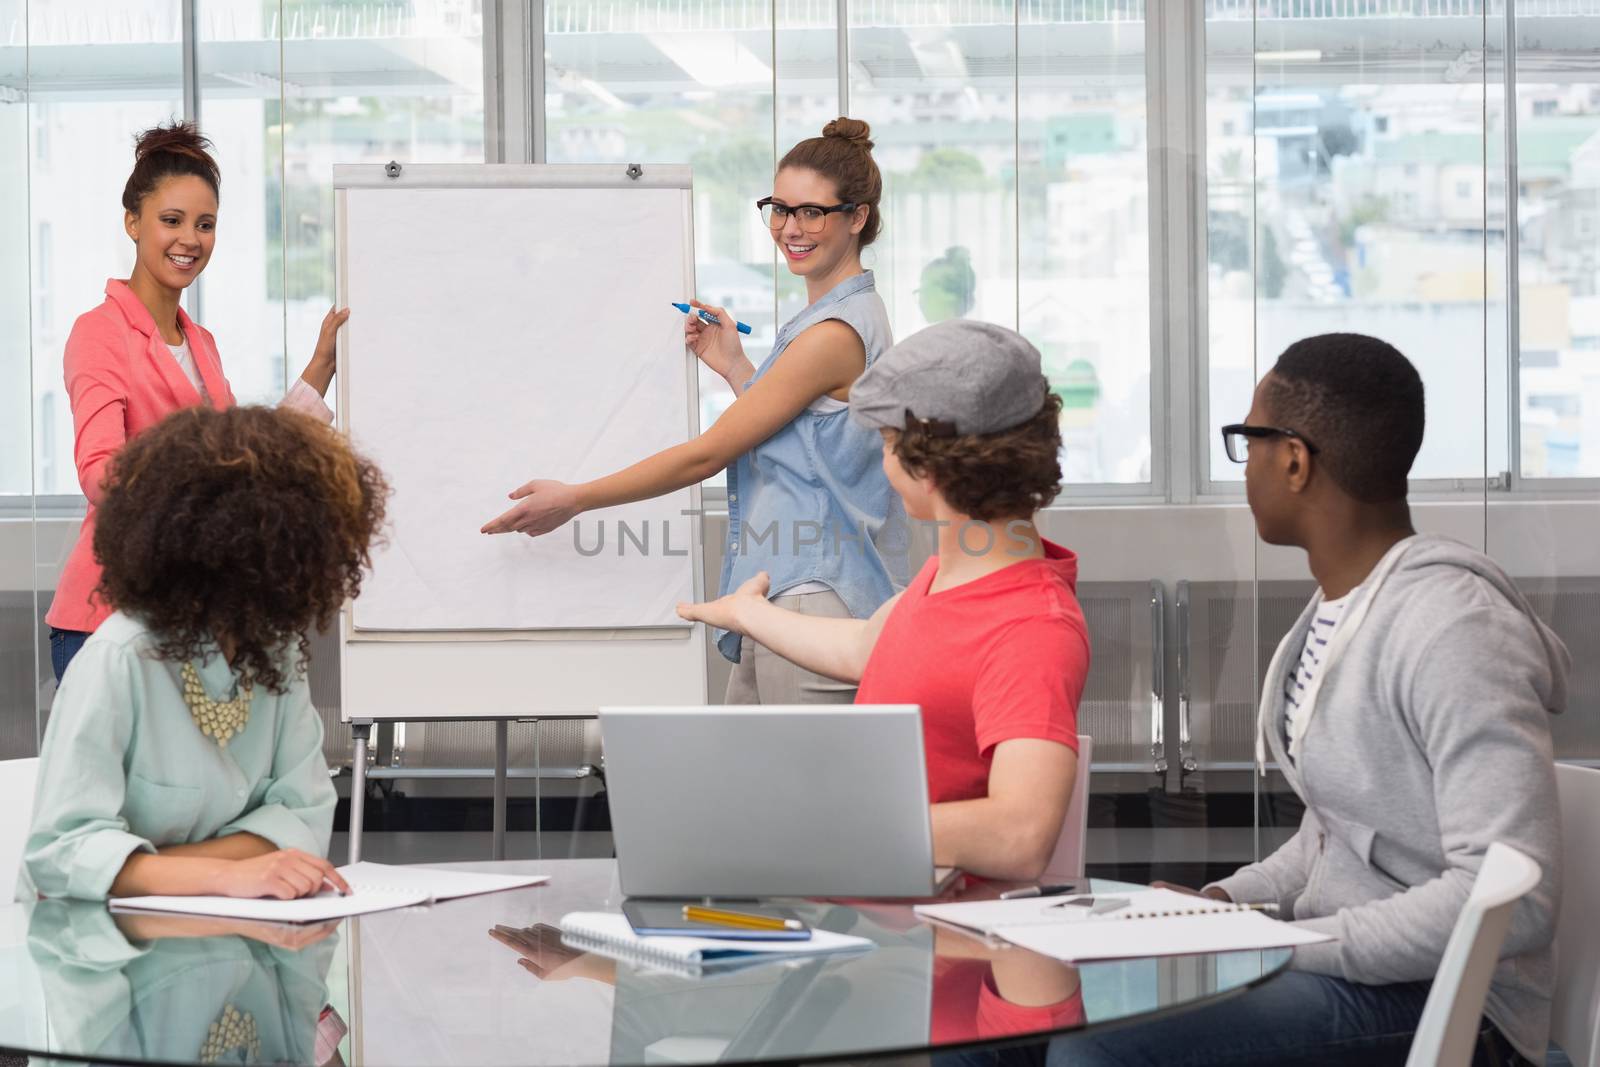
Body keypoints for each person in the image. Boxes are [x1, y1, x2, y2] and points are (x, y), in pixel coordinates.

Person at [1050, 333, 1565, 1066]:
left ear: (1293, 459)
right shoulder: (1343, 608)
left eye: (1247, 439)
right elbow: (1338, 832)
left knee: (1099, 1044)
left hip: (1453, 1003)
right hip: (1361, 972)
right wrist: (1223, 905)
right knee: (1043, 1003)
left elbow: (1512, 897)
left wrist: (1291, 945)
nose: (1246, 463)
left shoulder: (1454, 630)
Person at [481, 117, 908, 705]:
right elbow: (804, 446)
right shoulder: (831, 321)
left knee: (800, 795)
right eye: (779, 209)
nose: (790, 228)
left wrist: (576, 498)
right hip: (785, 592)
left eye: (812, 212)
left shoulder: (835, 332)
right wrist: (737, 368)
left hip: (814, 595)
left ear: (857, 217)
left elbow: (707, 454)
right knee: (751, 792)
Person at [679, 320, 1087, 881]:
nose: (883, 460)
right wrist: (749, 612)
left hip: (936, 942)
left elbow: (1021, 834)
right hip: (877, 911)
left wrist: (828, 824)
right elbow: (868, 649)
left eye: (887, 444)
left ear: (929, 465)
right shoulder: (954, 577)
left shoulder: (1030, 627)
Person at [25, 404, 389, 901]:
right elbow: (59, 855)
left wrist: (151, 866)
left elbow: (305, 817)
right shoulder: (121, 656)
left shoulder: (276, 654)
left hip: (242, 941)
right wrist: (227, 874)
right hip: (112, 957)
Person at [45, 120, 350, 682]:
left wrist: (322, 366)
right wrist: (205, 486)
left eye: (205, 225)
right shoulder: (100, 332)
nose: (190, 239)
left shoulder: (201, 344)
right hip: (109, 620)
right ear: (132, 223)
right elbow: (100, 474)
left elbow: (247, 459)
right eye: (171, 221)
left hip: (189, 618)